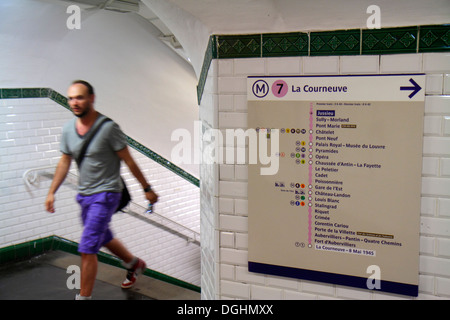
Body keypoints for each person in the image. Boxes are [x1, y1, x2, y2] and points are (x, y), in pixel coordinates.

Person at [45, 80, 158, 300]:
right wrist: (52, 192)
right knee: (102, 236)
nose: (74, 102)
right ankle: (134, 264)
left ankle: (83, 298)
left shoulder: (109, 128)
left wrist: (147, 188)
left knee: (88, 247)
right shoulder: (69, 129)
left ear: (91, 98)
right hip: (85, 195)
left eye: (79, 97)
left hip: (107, 194)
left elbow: (129, 161)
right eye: (71, 98)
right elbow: (64, 162)